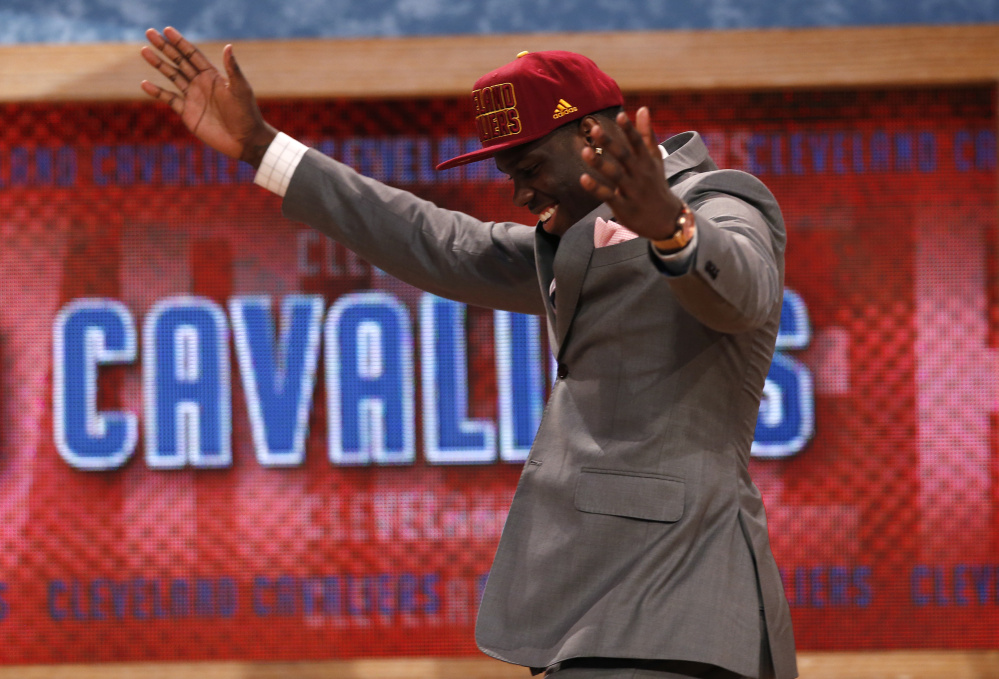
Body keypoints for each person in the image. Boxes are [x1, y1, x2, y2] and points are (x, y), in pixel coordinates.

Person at [140, 26, 797, 679]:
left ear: (592, 138)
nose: (519, 194)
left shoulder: (718, 199)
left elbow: (744, 290)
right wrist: (262, 148)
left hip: (676, 604)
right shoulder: (566, 243)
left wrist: (671, 228)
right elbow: (434, 239)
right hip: (602, 615)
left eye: (531, 169)